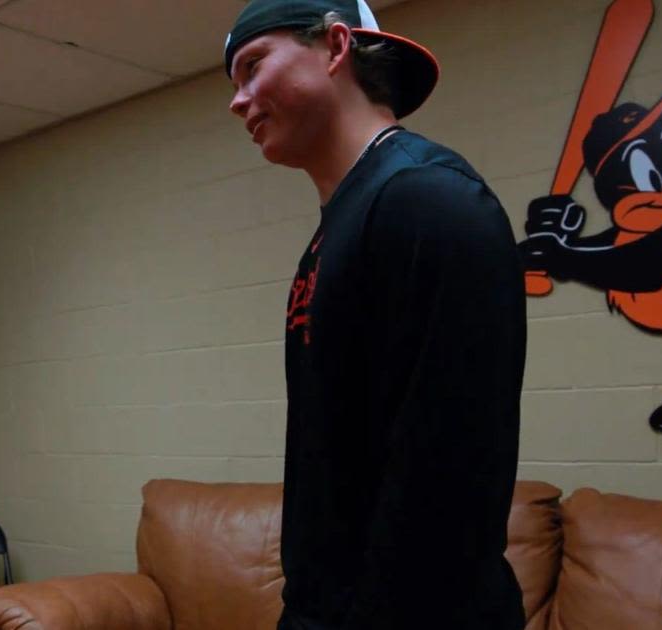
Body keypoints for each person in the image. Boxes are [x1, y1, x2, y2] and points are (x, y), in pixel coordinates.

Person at [224, 1, 526, 629]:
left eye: (253, 67)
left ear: (336, 48)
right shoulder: (344, 221)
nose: (238, 101)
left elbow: (450, 475)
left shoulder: (428, 199)